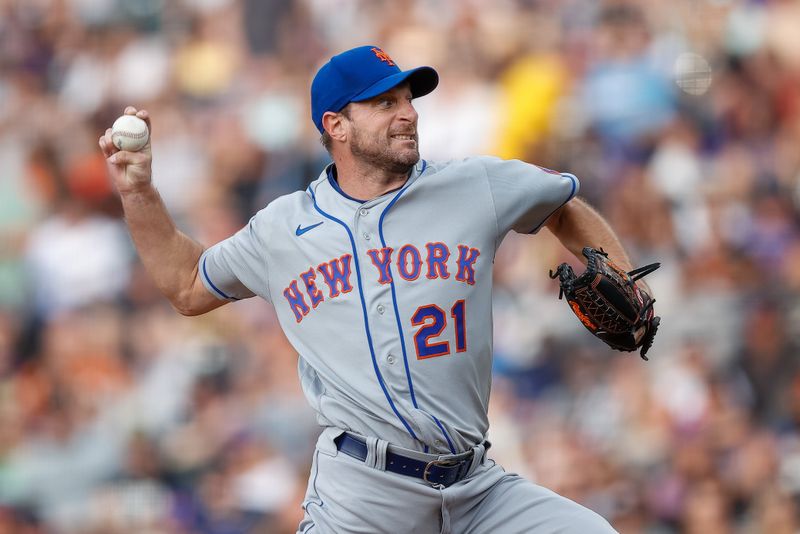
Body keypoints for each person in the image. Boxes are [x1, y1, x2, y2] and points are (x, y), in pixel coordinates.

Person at [99, 45, 638, 533]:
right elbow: (188, 284)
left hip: (477, 488)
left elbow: (561, 205)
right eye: (384, 103)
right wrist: (139, 190)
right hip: (364, 495)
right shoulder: (283, 228)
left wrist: (626, 281)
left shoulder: (474, 185)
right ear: (336, 124)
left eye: (408, 98)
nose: (408, 112)